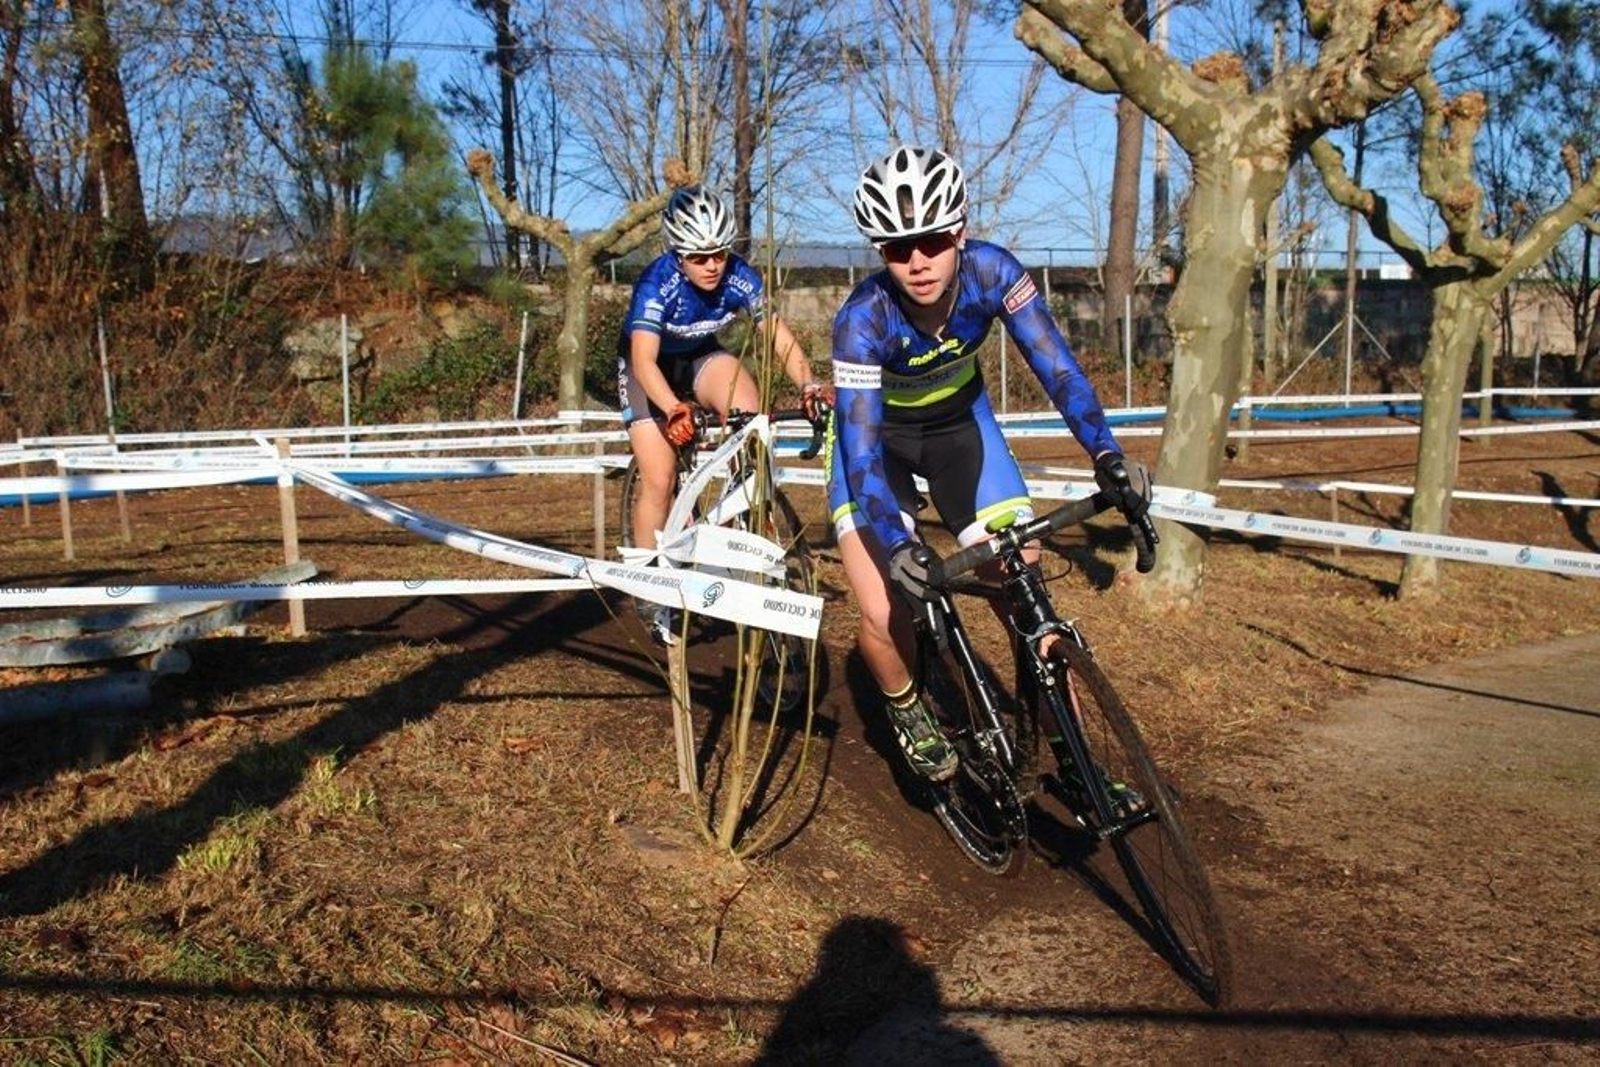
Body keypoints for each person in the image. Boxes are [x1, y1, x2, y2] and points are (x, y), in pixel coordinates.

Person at [828, 146, 1152, 781]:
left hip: (960, 432)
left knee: (1026, 594)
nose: (917, 261)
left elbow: (1057, 369)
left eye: (931, 240)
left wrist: (1107, 454)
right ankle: (907, 709)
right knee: (883, 607)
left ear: (960, 232)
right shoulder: (862, 319)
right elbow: (861, 449)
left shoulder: (993, 272)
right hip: (878, 450)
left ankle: (1072, 747)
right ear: (879, 252)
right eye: (896, 248)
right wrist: (897, 542)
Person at [619, 184, 830, 642]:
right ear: (677, 253)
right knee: (659, 476)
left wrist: (809, 383)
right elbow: (643, 360)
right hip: (648, 369)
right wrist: (673, 407)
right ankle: (650, 590)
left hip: (699, 358)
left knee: (750, 414)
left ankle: (738, 516)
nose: (712, 264)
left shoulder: (740, 277)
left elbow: (776, 334)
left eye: (719, 252)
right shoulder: (658, 284)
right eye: (698, 257)